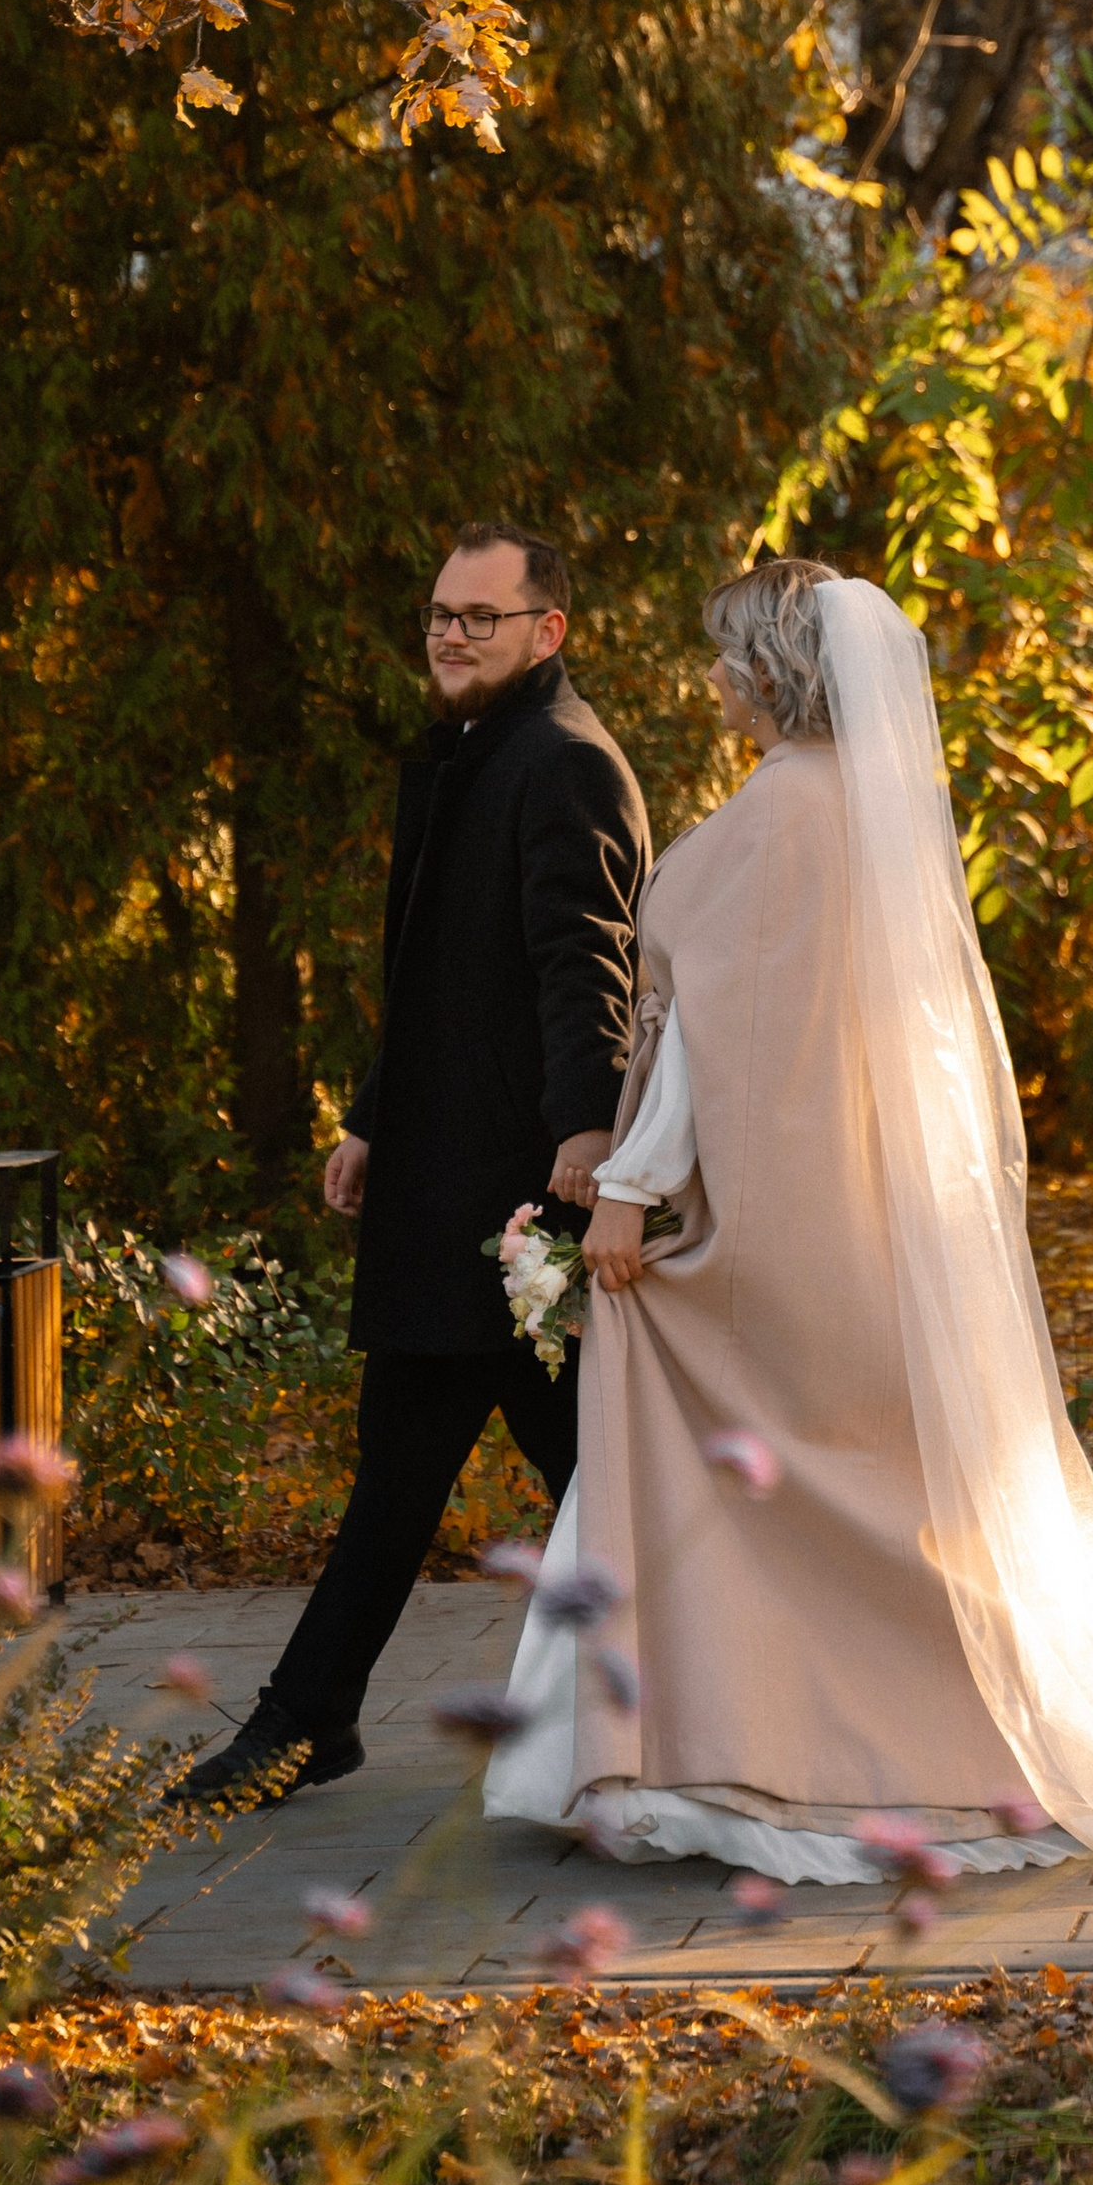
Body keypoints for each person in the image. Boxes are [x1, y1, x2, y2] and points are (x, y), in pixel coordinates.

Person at [484, 559, 1093, 1890]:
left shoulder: (749, 838)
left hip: (765, 1238)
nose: (711, 680)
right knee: (884, 1499)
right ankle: (929, 1742)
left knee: (699, 1451)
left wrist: (633, 1195)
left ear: (768, 676)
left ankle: (719, 1762)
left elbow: (712, 1047)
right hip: (876, 1227)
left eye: (724, 659)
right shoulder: (881, 824)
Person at [168, 520, 649, 1808]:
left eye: (477, 616)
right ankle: (313, 1715)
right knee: (443, 1475)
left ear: (546, 630)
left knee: (583, 1485)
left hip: (520, 1210)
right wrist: (375, 1115)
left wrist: (589, 1139)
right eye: (438, 612)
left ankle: (706, 1710)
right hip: (447, 1189)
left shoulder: (563, 765)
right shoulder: (461, 760)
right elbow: (432, 977)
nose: (447, 632)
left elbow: (583, 968)